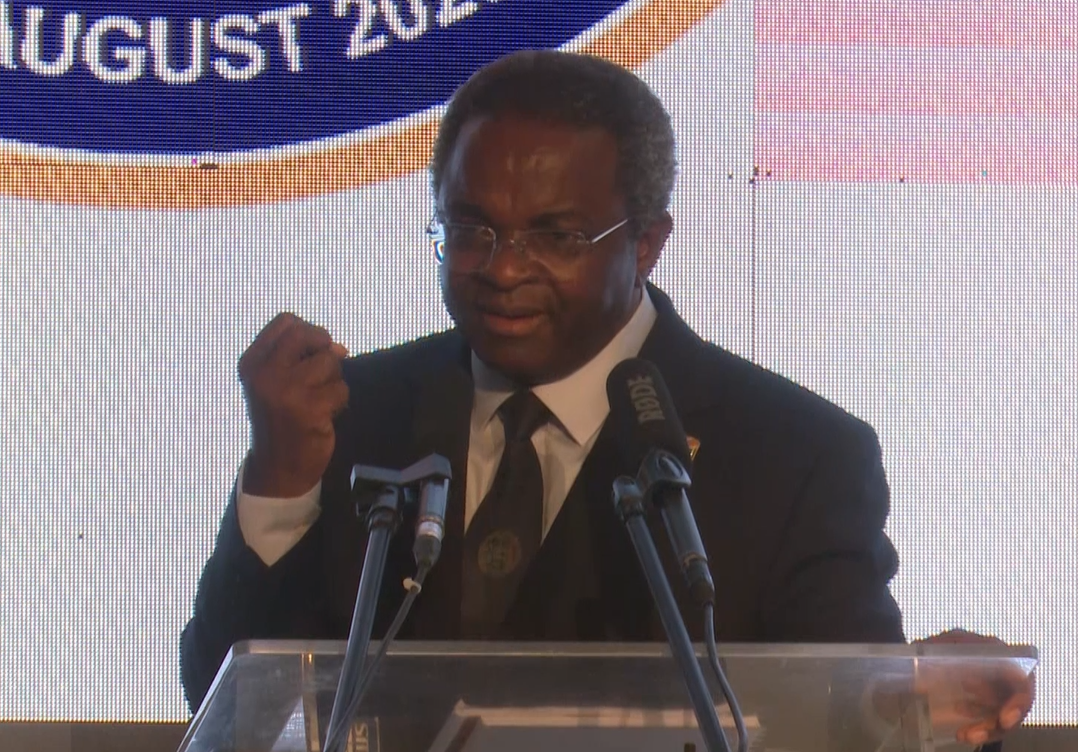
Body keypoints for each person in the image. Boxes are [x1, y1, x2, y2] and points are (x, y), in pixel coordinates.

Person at [180, 49, 1032, 747]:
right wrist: (281, 482)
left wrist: (923, 702)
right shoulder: (350, 414)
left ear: (649, 242)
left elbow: (852, 715)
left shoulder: (794, 454)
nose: (503, 269)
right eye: (472, 229)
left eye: (555, 235)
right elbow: (222, 704)